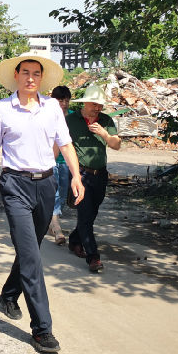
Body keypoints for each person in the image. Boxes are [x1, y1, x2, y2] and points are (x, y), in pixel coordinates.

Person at [0, 53, 84, 354]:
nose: (30, 78)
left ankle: (9, 293)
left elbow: (65, 143)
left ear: (41, 78)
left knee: (31, 250)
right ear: (16, 76)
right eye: (25, 72)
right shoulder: (1, 110)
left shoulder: (52, 107)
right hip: (15, 185)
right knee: (32, 257)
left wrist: (76, 176)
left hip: (47, 184)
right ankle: (42, 329)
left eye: (36, 73)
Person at [66, 84, 121, 273]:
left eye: (100, 105)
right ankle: (93, 257)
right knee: (85, 214)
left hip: (100, 175)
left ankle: (75, 240)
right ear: (85, 103)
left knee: (91, 214)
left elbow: (116, 145)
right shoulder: (71, 120)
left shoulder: (106, 120)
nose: (97, 108)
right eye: (94, 104)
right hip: (80, 174)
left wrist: (104, 134)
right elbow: (60, 143)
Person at [47, 86, 71, 245]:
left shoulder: (73, 117)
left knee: (63, 192)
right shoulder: (47, 116)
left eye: (66, 100)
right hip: (50, 160)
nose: (64, 103)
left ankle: (52, 219)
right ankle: (56, 228)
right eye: (60, 100)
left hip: (67, 161)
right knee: (54, 192)